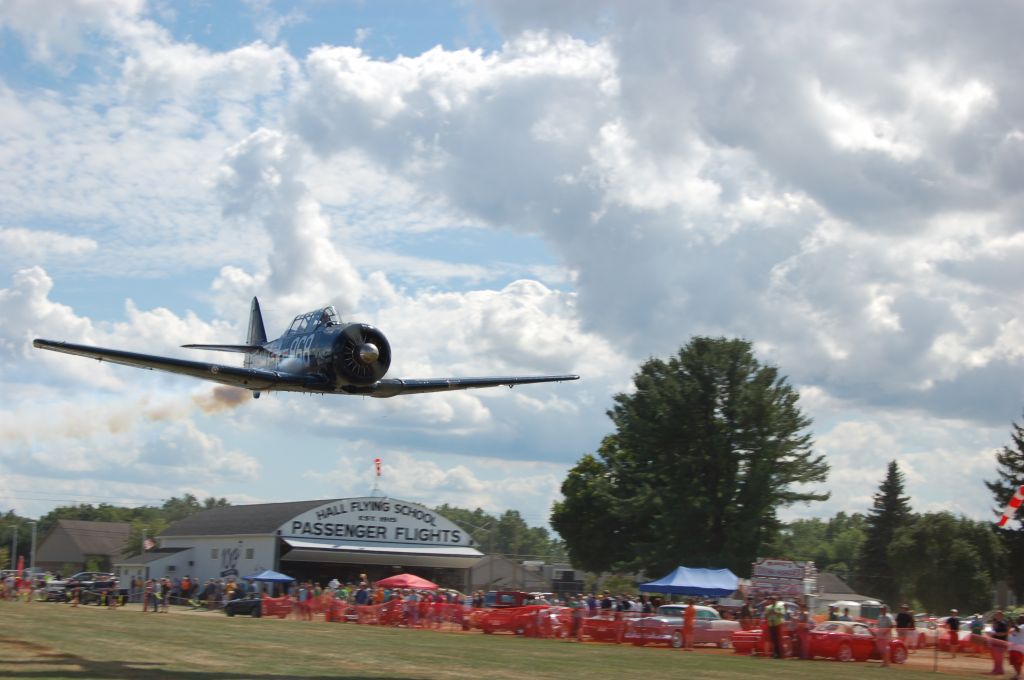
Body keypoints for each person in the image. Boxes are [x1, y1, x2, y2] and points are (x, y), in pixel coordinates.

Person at [989, 610, 1010, 676]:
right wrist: (991, 634)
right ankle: (996, 669)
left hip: (1001, 642)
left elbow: (1004, 633)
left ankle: (999, 670)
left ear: (1001, 616)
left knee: (999, 658)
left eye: (998, 615)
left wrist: (995, 633)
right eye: (996, 615)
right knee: (995, 657)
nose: (996, 616)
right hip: (995, 642)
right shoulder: (996, 623)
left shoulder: (1003, 623)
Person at [1008, 615, 1024, 680]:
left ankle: (1018, 675)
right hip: (1013, 647)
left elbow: (1018, 630)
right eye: (1019, 618)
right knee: (1014, 662)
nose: (1019, 619)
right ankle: (1017, 675)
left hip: (1018, 647)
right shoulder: (1016, 626)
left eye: (1021, 618)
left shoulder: (1023, 626)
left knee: (1017, 662)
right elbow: (1012, 632)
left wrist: (1012, 623)